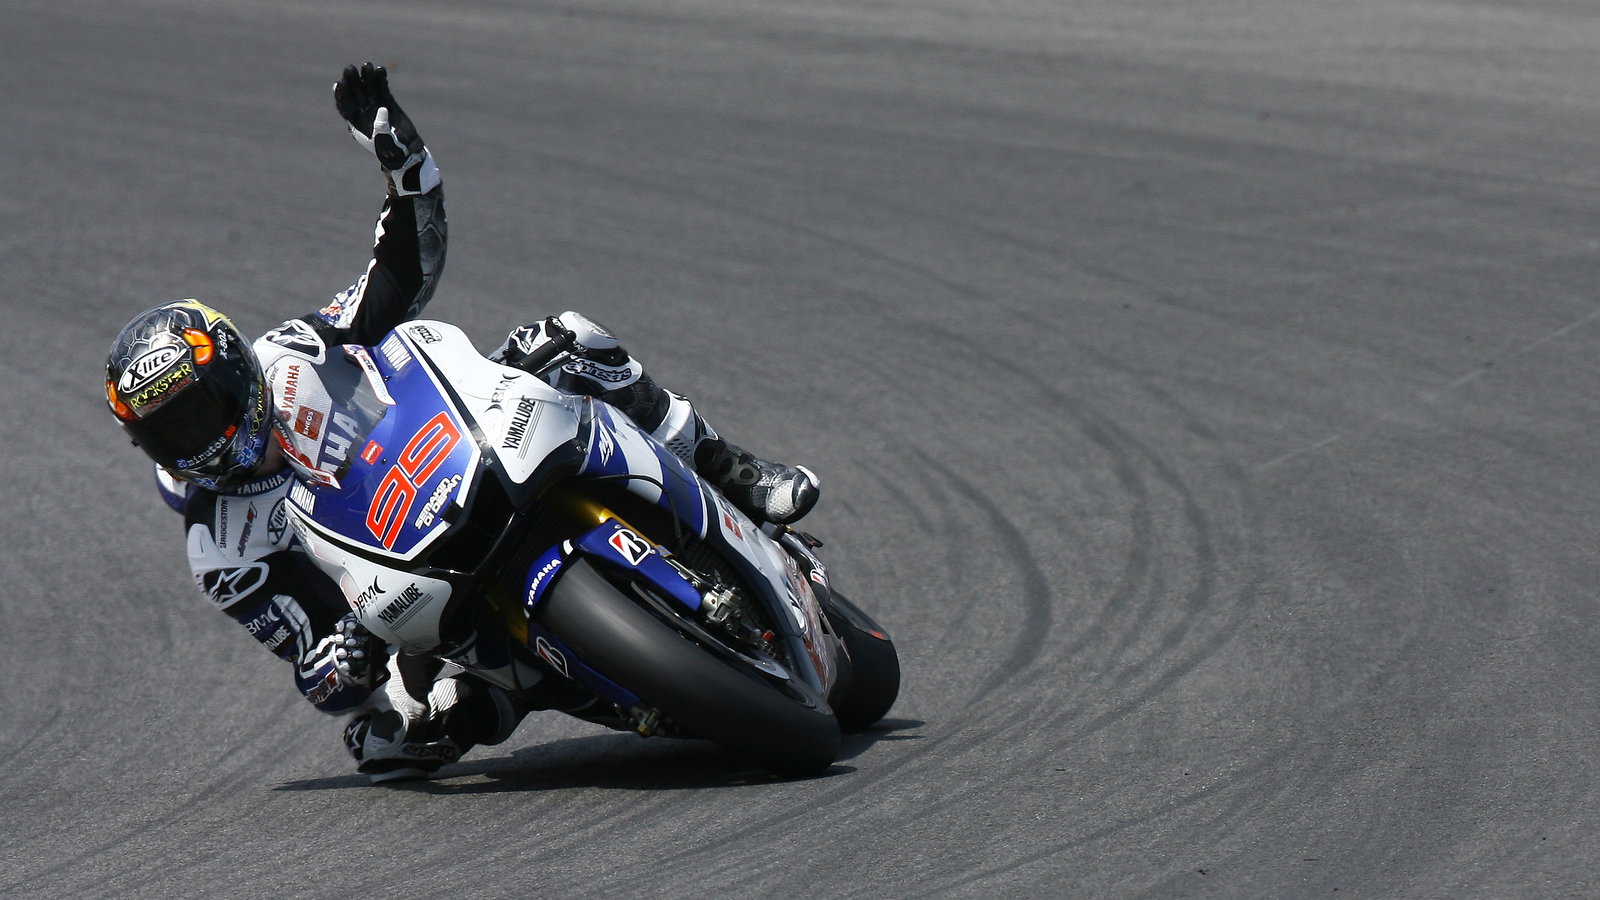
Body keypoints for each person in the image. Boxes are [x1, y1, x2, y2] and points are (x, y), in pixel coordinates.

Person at [103, 63, 820, 782]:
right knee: (385, 745)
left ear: (237, 375)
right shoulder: (219, 544)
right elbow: (309, 660)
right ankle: (540, 693)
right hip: (412, 602)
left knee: (567, 338)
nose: (194, 441)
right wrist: (340, 664)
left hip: (464, 452)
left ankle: (732, 470)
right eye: (169, 433)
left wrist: (407, 169)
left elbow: (399, 278)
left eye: (200, 412)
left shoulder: (293, 354)